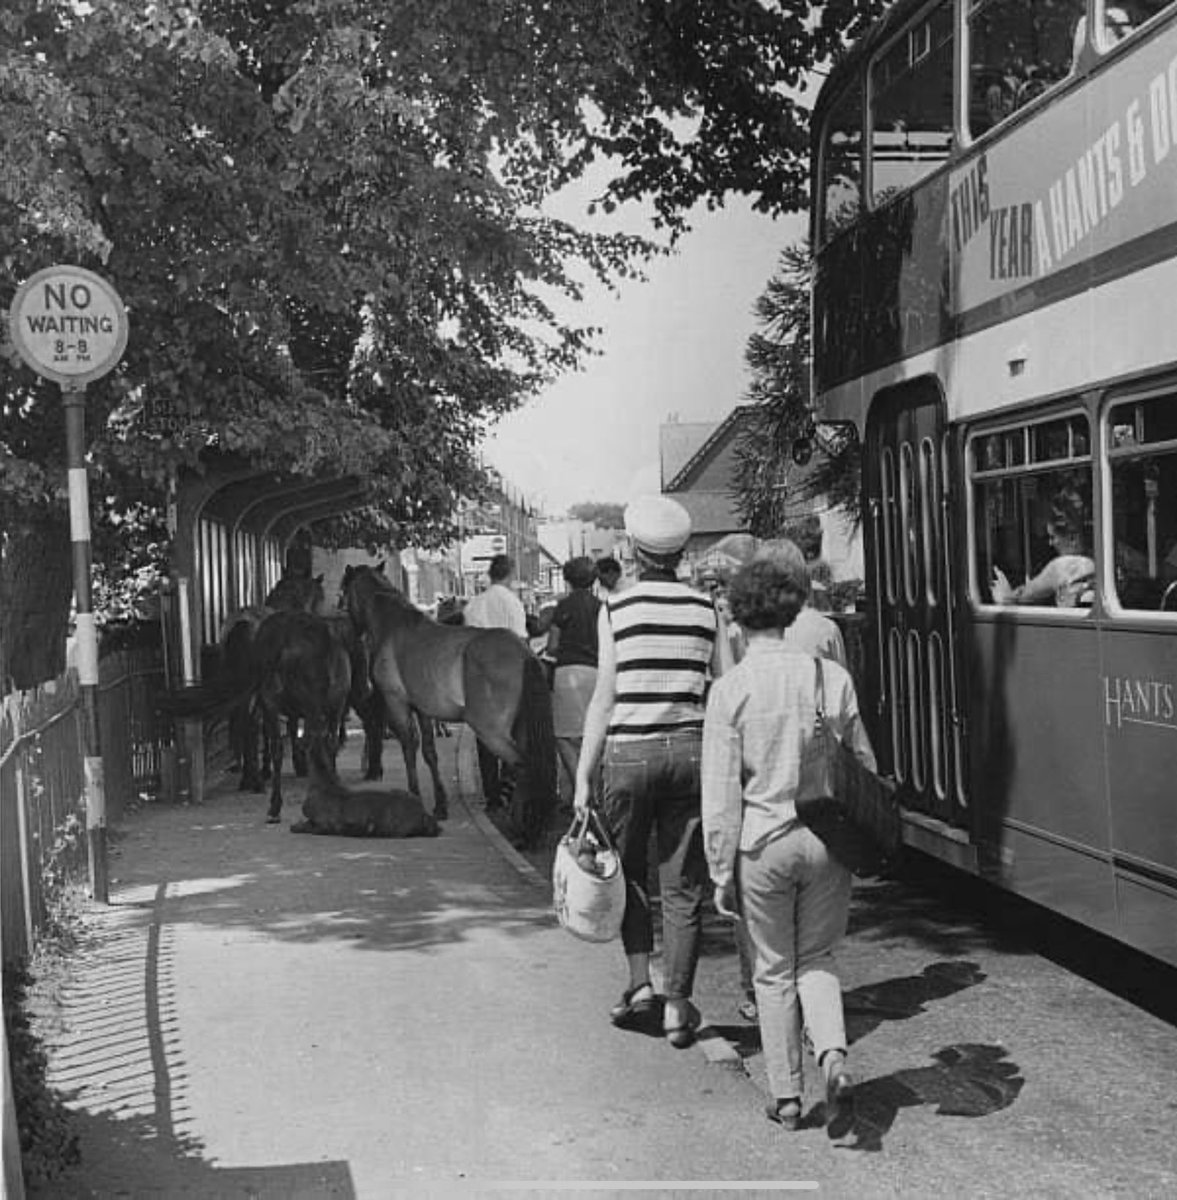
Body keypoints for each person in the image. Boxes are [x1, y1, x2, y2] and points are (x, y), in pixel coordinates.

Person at [701, 552, 875, 1132]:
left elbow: (721, 796)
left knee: (772, 971)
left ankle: (788, 1097)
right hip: (827, 840)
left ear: (739, 616)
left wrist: (720, 870)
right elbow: (863, 766)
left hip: (762, 843)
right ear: (792, 609)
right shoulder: (831, 677)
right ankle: (833, 1056)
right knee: (818, 958)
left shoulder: (730, 691)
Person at [574, 495, 732, 1049]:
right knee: (684, 885)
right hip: (690, 753)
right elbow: (724, 691)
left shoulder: (615, 609)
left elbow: (603, 698)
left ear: (635, 551)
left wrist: (581, 776)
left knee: (630, 872)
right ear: (683, 550)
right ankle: (678, 1006)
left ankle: (641, 983)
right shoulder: (705, 609)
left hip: (629, 755)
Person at [731, 537, 848, 1023]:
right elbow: (845, 710)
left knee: (765, 940)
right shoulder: (825, 629)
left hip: (764, 810)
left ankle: (759, 1001)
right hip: (820, 803)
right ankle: (827, 1042)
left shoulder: (743, 639)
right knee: (817, 945)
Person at [463, 553, 528, 809]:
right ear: (510, 574)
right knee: (513, 733)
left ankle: (492, 794)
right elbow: (521, 641)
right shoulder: (513, 603)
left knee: (485, 734)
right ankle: (510, 783)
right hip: (510, 675)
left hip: (480, 674)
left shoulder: (474, 605)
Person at [546, 557, 600, 805]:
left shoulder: (562, 608)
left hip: (567, 674)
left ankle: (580, 788)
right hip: (597, 674)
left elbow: (553, 645)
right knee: (594, 735)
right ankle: (595, 790)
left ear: (567, 579)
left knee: (564, 736)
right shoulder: (602, 607)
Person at [991, 486, 1095, 608]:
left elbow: (1021, 596)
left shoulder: (1065, 565)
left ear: (1072, 538)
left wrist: (1004, 594)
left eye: (1053, 537)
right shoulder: (1094, 561)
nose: (1050, 543)